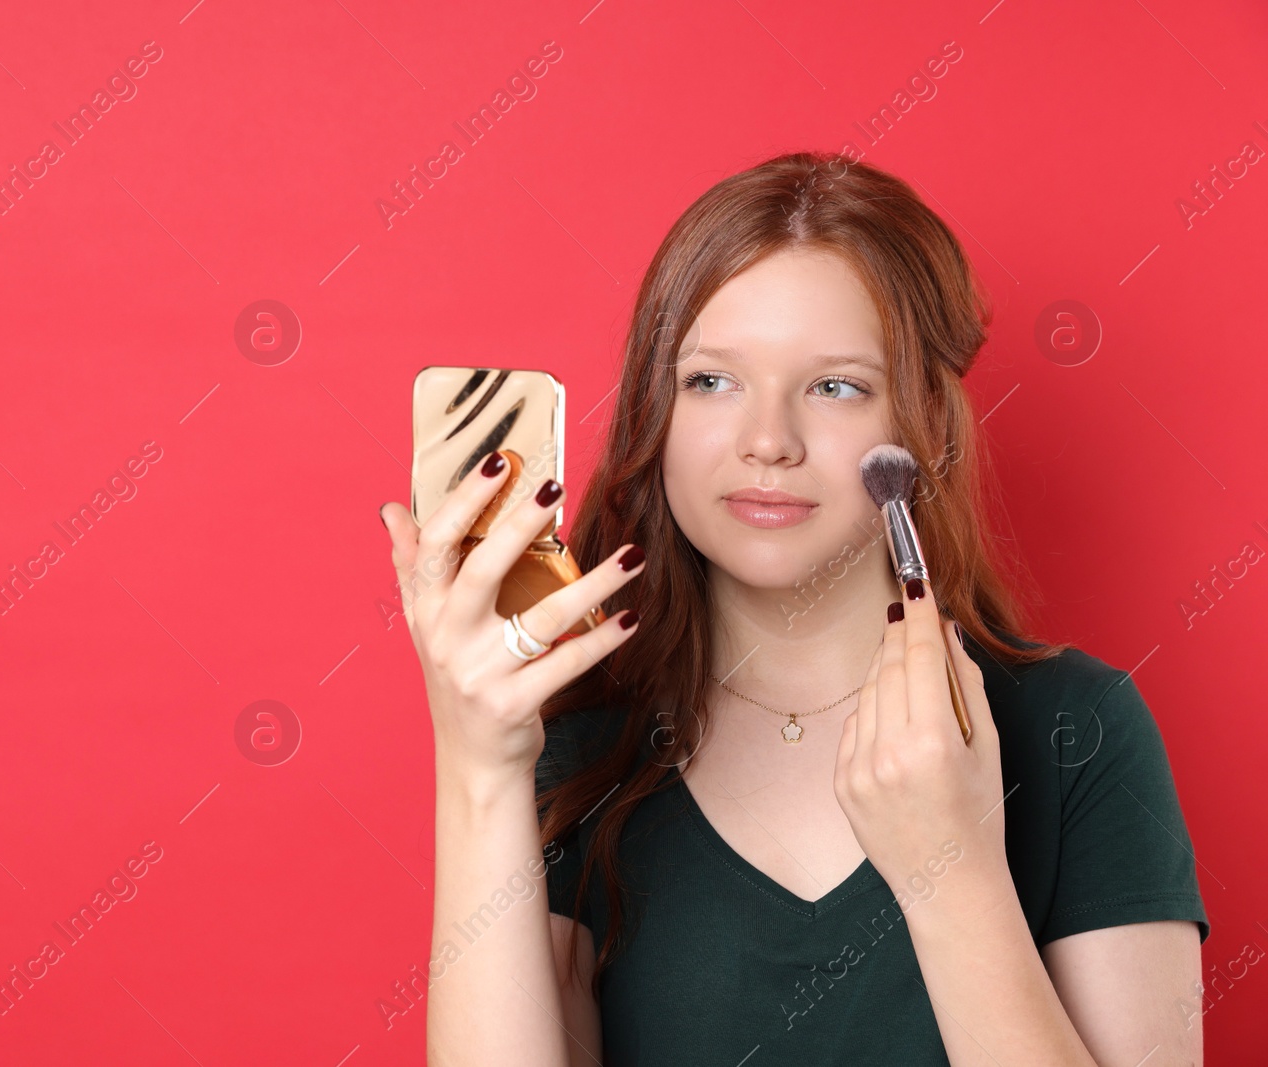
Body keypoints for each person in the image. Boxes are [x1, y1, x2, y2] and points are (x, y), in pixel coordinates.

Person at [378, 151, 1209, 1066]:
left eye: (836, 386)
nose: (767, 440)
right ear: (657, 409)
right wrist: (478, 764)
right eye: (712, 381)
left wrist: (952, 866)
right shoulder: (574, 739)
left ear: (924, 424)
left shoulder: (1075, 731)